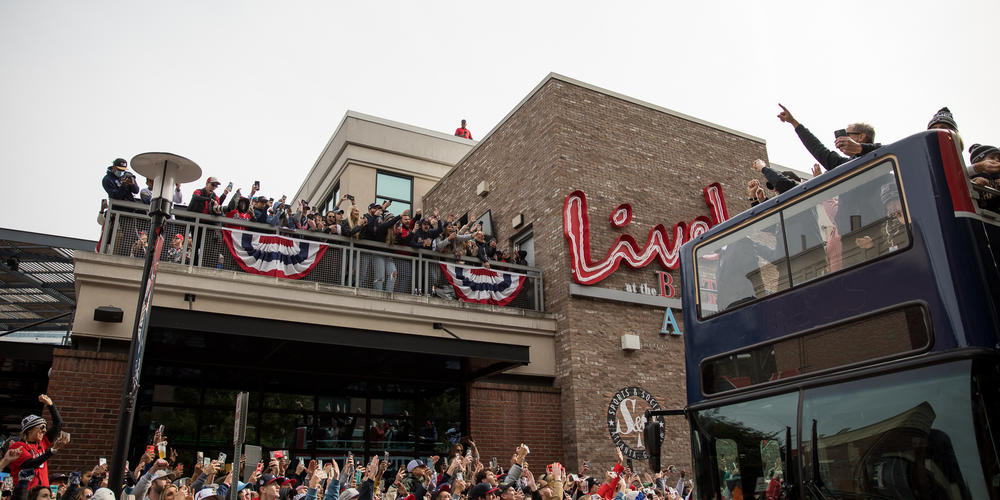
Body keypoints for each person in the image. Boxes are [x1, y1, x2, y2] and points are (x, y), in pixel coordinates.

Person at [776, 104, 880, 171]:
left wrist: (860, 148)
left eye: (847, 134)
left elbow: (883, 148)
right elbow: (818, 149)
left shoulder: (882, 161)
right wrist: (794, 123)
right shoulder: (844, 166)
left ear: (861, 136)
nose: (842, 138)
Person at [8, 394, 68, 490]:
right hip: (25, 493)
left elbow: (58, 424)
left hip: (42, 492)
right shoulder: (17, 447)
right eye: (41, 427)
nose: (44, 430)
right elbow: (30, 464)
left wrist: (50, 405)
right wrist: (52, 450)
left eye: (45, 427)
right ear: (29, 430)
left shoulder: (42, 443)